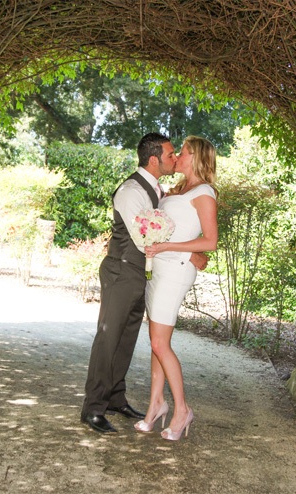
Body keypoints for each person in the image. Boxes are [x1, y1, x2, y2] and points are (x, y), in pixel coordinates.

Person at [81, 132, 208, 434]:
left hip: (142, 275)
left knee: (126, 340)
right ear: (154, 159)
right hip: (122, 271)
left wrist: (193, 250)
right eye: (170, 154)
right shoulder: (130, 190)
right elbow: (144, 236)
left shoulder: (159, 189)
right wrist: (191, 250)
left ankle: (115, 397)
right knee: (108, 338)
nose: (175, 158)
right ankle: (93, 408)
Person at [135, 136, 218, 441]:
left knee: (159, 344)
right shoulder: (178, 189)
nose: (178, 156)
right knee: (157, 341)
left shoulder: (204, 193)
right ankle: (155, 405)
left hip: (175, 271)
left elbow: (210, 241)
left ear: (196, 158)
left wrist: (170, 246)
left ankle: (182, 410)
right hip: (159, 268)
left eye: (183, 152)